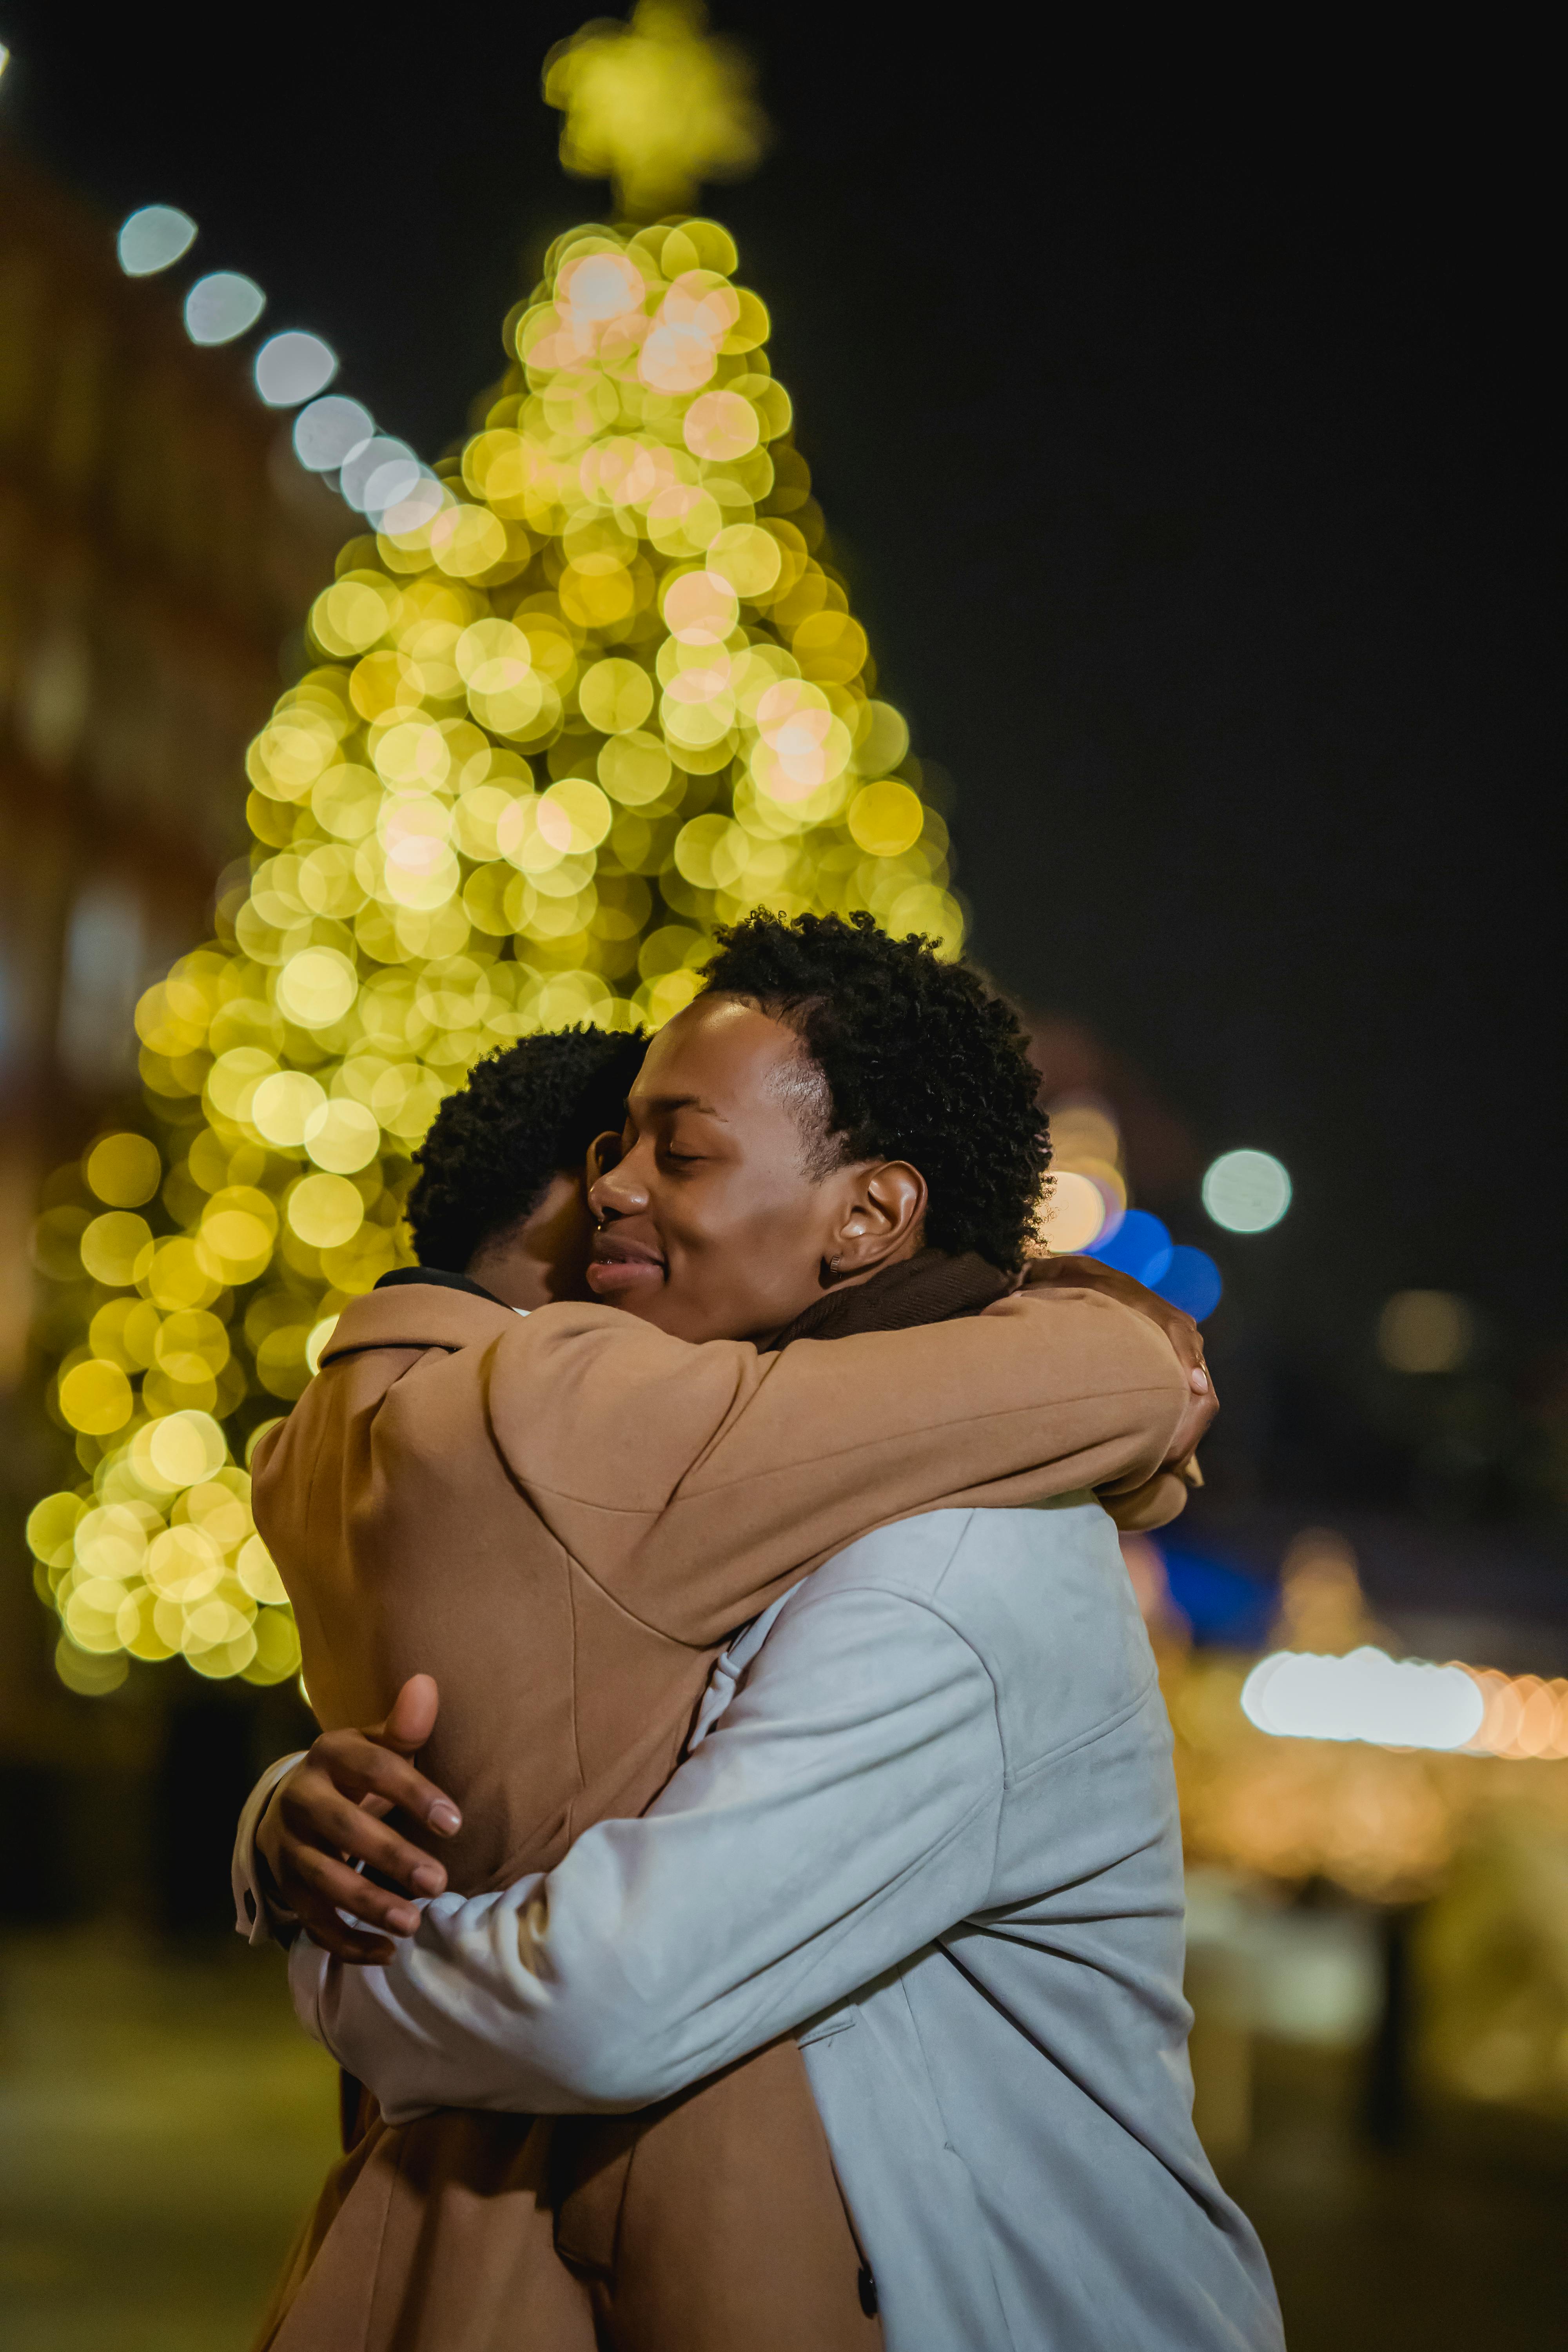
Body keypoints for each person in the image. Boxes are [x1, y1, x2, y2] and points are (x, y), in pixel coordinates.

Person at [240, 913, 1222, 2350]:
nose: (612, 1195)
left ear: (871, 1216)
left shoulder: (954, 1570)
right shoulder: (759, 1472)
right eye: (612, 1150)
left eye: (679, 1154)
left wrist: (342, 1961)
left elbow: (607, 1998)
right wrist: (294, 1817)